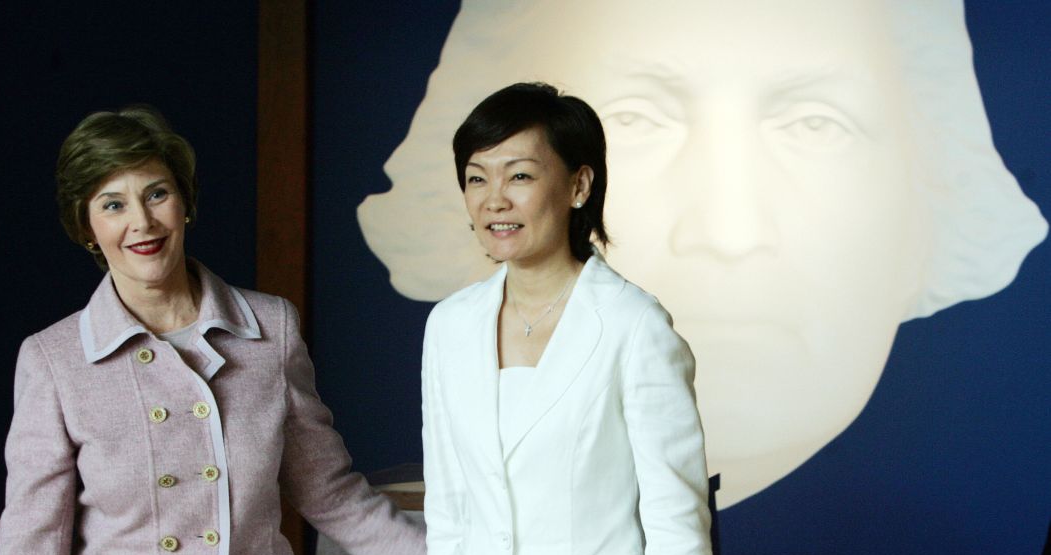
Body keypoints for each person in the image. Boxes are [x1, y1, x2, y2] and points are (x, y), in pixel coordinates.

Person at [361, 0, 1047, 508]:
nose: (728, 230)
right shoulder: (456, 330)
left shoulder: (638, 325)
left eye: (814, 124)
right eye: (636, 118)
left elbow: (671, 544)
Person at [0, 105, 428, 555]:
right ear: (88, 226)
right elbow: (32, 547)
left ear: (187, 200)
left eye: (157, 192)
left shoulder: (271, 331)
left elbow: (330, 494)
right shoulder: (54, 359)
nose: (142, 219)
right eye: (113, 202)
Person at [421, 82, 723, 555]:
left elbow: (676, 524)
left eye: (520, 174)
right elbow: (450, 513)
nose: (496, 199)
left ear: (579, 183)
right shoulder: (449, 328)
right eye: (476, 177)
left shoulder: (633, 326)